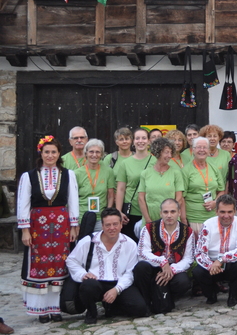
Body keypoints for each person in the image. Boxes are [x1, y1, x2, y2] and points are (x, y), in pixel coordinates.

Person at [18, 136, 79, 323]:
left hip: (62, 225)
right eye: (47, 152)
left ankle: (55, 308)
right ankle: (40, 309)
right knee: (40, 265)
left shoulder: (68, 174)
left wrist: (74, 225)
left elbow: (73, 200)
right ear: (41, 153)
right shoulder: (28, 176)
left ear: (59, 153)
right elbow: (23, 203)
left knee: (60, 264)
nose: (50, 155)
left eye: (54, 152)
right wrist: (25, 230)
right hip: (38, 226)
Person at [66, 208, 146, 324]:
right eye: (108, 225)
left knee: (140, 308)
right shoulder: (88, 241)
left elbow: (130, 272)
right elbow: (71, 261)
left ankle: (111, 307)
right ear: (102, 226)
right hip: (95, 282)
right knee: (89, 285)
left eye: (115, 224)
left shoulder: (130, 244)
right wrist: (83, 274)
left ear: (121, 225)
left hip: (117, 283)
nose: (112, 228)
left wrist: (116, 289)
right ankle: (91, 312)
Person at [135, 199, 194, 314]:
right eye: (166, 212)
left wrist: (171, 270)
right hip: (153, 265)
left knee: (183, 282)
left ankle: (165, 299)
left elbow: (188, 258)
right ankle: (146, 301)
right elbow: (142, 253)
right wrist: (161, 262)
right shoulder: (148, 228)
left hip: (174, 267)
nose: (169, 215)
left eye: (173, 212)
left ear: (179, 213)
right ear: (160, 213)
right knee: (141, 268)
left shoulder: (188, 231)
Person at [192, 194, 237, 307]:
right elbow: (199, 253)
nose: (226, 216)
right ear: (216, 211)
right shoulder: (207, 225)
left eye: (230, 212)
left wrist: (221, 260)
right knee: (197, 271)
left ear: (235, 211)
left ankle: (233, 296)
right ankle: (211, 295)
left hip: (230, 263)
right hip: (212, 265)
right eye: (222, 212)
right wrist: (211, 265)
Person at [115, 128, 155, 241]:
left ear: (148, 141)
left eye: (144, 138)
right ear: (133, 141)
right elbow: (121, 189)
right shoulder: (125, 163)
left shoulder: (155, 161)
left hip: (150, 210)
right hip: (130, 211)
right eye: (137, 138)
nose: (140, 141)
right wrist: (119, 211)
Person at [182, 137, 224, 234]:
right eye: (198, 147)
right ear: (193, 150)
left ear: (209, 150)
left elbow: (221, 190)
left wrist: (216, 202)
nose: (202, 150)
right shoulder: (186, 171)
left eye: (205, 147)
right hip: (194, 218)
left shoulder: (214, 168)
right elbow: (181, 197)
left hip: (213, 217)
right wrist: (184, 219)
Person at [138, 137, 185, 225]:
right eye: (166, 152)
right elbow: (141, 198)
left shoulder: (176, 173)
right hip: (150, 221)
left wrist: (169, 216)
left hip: (171, 222)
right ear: (158, 152)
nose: (170, 156)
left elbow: (179, 198)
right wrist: (148, 220)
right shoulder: (145, 173)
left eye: (171, 152)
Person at [76, 138, 114, 232]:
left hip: (100, 218)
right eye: (91, 152)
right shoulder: (77, 173)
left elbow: (110, 195)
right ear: (86, 154)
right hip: (82, 217)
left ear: (101, 154)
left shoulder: (108, 171)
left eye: (97, 152)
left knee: (99, 244)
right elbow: (72, 198)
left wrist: (107, 214)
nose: (94, 155)